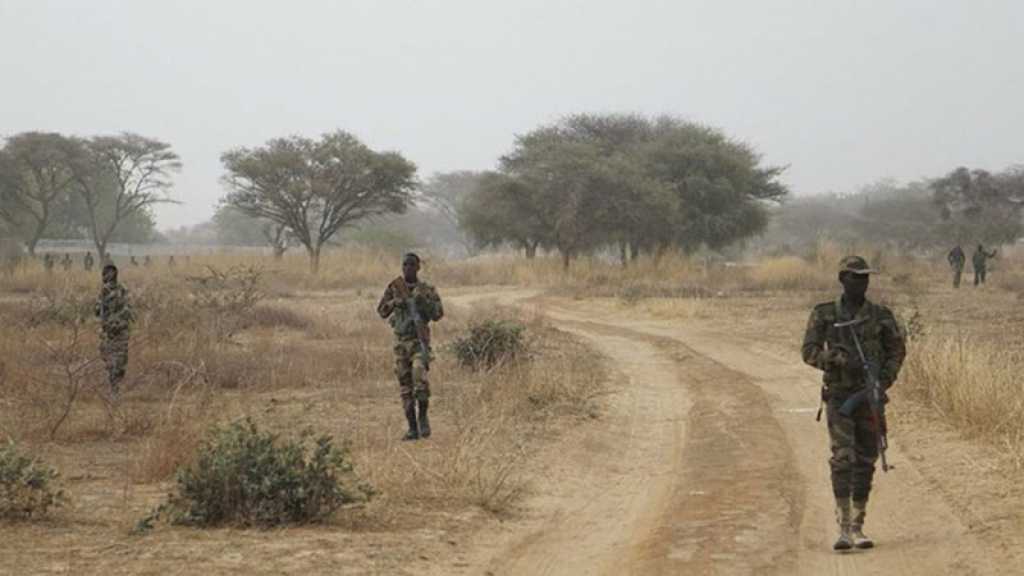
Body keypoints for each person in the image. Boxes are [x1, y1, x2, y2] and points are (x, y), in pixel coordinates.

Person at [802, 256, 906, 551]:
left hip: (869, 397)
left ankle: (859, 525)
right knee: (843, 458)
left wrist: (883, 379)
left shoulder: (881, 315)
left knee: (866, 459)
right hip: (839, 396)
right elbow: (808, 351)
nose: (862, 282)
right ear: (842, 279)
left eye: (865, 277)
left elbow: (896, 350)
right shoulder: (824, 314)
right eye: (855, 277)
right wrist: (835, 359)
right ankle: (844, 526)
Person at [377, 253, 444, 441]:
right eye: (404, 264)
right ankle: (412, 428)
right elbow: (381, 311)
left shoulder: (426, 289)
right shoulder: (394, 287)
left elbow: (438, 314)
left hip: (419, 342)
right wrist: (394, 302)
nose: (407, 268)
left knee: (419, 380)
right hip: (400, 344)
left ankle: (423, 418)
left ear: (418, 267)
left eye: (411, 265)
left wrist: (424, 303)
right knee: (405, 387)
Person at [94, 264, 134, 398]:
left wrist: (120, 318)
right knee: (108, 358)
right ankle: (113, 387)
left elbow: (129, 309)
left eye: (111, 273)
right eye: (106, 273)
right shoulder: (102, 292)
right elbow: (96, 311)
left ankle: (116, 384)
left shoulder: (122, 289)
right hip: (107, 331)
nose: (109, 276)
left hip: (121, 330)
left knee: (121, 360)